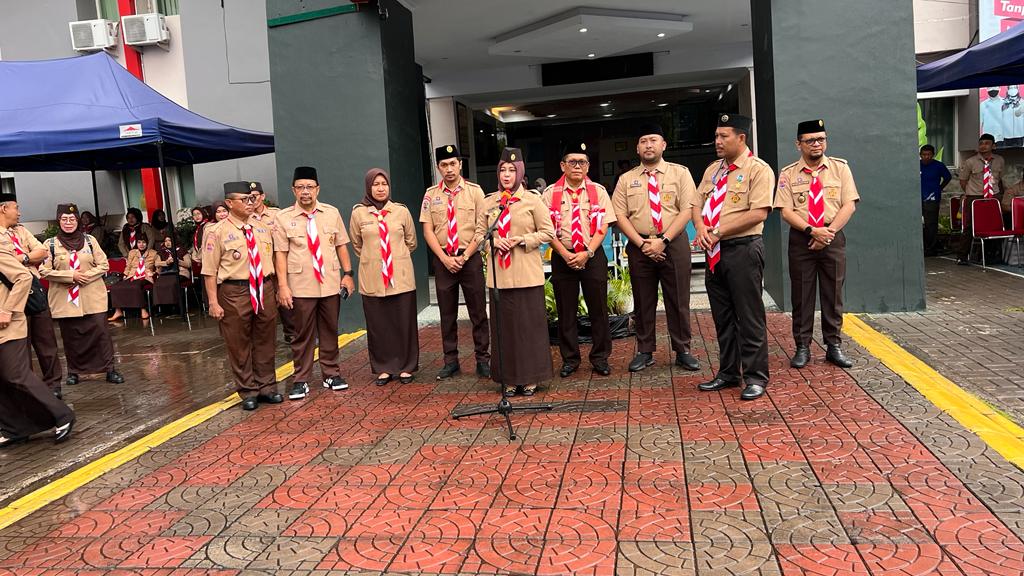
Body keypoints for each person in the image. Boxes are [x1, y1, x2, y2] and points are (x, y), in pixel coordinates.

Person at [693, 113, 775, 401]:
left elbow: (759, 212)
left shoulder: (757, 169)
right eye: (716, 136)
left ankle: (755, 377)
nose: (717, 141)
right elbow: (697, 203)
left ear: (741, 138)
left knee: (749, 316)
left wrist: (716, 230)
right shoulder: (712, 170)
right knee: (723, 318)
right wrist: (702, 227)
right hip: (715, 252)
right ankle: (728, 373)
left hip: (743, 249)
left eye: (723, 136)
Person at [612, 123, 700, 373]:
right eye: (643, 141)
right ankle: (645, 351)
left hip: (673, 243)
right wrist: (642, 244)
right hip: (639, 245)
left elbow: (688, 209)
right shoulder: (626, 179)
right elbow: (619, 214)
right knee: (643, 300)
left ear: (663, 145)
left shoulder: (680, 173)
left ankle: (683, 349)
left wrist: (664, 240)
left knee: (679, 298)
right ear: (637, 148)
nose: (648, 145)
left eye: (653, 140)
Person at [775, 119, 859, 370]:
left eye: (821, 139)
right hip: (802, 239)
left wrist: (828, 233)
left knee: (833, 293)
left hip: (832, 237)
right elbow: (785, 211)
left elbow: (849, 204)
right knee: (802, 294)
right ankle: (802, 347)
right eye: (810, 140)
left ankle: (834, 346)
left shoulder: (840, 168)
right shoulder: (788, 174)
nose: (816, 144)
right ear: (798, 144)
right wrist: (813, 230)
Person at [476, 147, 554, 397]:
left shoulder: (532, 200)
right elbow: (478, 234)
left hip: (526, 275)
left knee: (528, 329)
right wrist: (492, 241)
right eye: (502, 170)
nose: (506, 175)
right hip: (500, 276)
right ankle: (508, 379)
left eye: (512, 170)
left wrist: (523, 239)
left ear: (520, 172)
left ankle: (530, 378)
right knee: (505, 330)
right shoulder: (489, 202)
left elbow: (548, 232)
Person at [274, 166, 355, 400]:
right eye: (300, 187)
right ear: (293, 190)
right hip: (300, 285)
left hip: (329, 281)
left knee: (330, 329)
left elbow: (341, 245)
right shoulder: (283, 218)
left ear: (318, 189)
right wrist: (283, 286)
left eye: (310, 187)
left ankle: (331, 373)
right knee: (302, 334)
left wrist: (348, 274)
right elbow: (280, 253)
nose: (305, 192)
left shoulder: (331, 213)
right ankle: (301, 379)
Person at [203, 182, 282, 411]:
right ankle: (247, 390)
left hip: (264, 287)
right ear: (229, 203)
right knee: (238, 343)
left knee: (266, 339)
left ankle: (267, 386)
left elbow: (272, 261)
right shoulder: (217, 232)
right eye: (244, 199)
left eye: (251, 198)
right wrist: (213, 302)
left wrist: (276, 289)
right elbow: (209, 271)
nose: (250, 203)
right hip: (235, 290)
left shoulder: (261, 228)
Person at [543, 140, 617, 377]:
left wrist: (587, 253)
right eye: (572, 162)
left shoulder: (599, 191)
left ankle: (600, 357)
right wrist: (565, 254)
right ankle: (570, 359)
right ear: (563, 166)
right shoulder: (549, 194)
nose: (578, 166)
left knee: (599, 309)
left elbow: (603, 227)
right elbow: (546, 230)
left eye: (582, 162)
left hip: (592, 255)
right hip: (562, 256)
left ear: (588, 166)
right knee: (566, 311)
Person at [420, 145, 489, 380]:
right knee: (447, 314)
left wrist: (465, 256)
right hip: (443, 260)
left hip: (469, 258)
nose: (449, 169)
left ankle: (483, 359)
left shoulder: (475, 192)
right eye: (444, 165)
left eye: (453, 163)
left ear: (460, 164)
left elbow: (482, 229)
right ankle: (451, 361)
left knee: (478, 311)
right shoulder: (431, 195)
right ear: (438, 167)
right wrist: (444, 258)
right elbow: (428, 230)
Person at [40, 204, 124, 387]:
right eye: (64, 219)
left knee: (101, 333)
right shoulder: (51, 244)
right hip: (66, 300)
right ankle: (74, 372)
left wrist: (86, 276)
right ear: (58, 221)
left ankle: (110, 369)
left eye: (72, 219)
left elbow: (104, 265)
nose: (68, 223)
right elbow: (43, 271)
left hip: (92, 297)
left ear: (77, 220)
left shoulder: (90, 241)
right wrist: (70, 276)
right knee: (72, 337)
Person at [0, 246, 76, 448]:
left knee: (16, 374)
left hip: (8, 327)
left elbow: (23, 278)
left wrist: (8, 310)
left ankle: (63, 415)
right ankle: (14, 428)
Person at [352, 169, 419, 385]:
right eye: (376, 184)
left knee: (404, 322)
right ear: (368, 187)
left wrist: (394, 259)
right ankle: (383, 367)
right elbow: (357, 244)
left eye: (384, 184)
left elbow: (411, 241)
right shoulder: (358, 213)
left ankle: (406, 367)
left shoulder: (401, 211)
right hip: (372, 278)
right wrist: (375, 259)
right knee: (379, 325)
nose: (381, 188)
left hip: (400, 276)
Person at [0, 193, 63, 396]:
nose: (19, 212)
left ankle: (53, 385)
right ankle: (30, 389)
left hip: (34, 290)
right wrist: (27, 259)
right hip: (12, 295)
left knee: (46, 341)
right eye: (16, 208)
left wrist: (21, 258)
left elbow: (42, 251)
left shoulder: (21, 231)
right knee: (21, 345)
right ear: (3, 209)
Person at [249, 181, 296, 343]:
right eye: (248, 197)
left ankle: (292, 333)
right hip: (262, 268)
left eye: (255, 196)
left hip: (280, 264)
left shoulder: (277, 215)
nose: (252, 200)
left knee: (287, 299)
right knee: (266, 304)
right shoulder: (246, 218)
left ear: (262, 196)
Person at [957, 134, 1009, 265]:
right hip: (975, 197)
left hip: (993, 196)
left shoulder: (1000, 160)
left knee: (994, 225)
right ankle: (962, 256)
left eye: (987, 143)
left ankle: (991, 255)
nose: (983, 146)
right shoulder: (970, 162)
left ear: (993, 146)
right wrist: (971, 193)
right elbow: (963, 181)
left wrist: (1000, 196)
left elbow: (1000, 179)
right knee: (969, 226)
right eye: (981, 143)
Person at [107, 233, 155, 322]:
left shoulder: (153, 253)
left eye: (144, 242)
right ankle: (118, 311)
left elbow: (158, 267)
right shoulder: (132, 252)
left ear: (147, 243)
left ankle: (143, 309)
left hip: (145, 276)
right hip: (132, 275)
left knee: (135, 286)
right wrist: (125, 275)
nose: (141, 244)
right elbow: (128, 266)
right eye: (139, 242)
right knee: (115, 287)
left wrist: (154, 273)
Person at [920, 144, 952, 257]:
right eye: (924, 154)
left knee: (931, 224)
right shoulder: (917, 165)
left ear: (933, 155)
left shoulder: (938, 166)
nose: (926, 157)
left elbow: (948, 177)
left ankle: (931, 249)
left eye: (929, 154)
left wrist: (940, 188)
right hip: (917, 198)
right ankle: (921, 247)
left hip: (932, 198)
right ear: (920, 155)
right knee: (918, 224)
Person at [152, 235, 191, 308]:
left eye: (169, 240)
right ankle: (162, 306)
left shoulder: (182, 250)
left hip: (180, 272)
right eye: (166, 241)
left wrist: (177, 261)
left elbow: (188, 264)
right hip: (166, 273)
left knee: (172, 283)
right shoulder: (161, 251)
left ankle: (174, 306)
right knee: (157, 284)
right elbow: (156, 263)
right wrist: (166, 262)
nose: (167, 243)